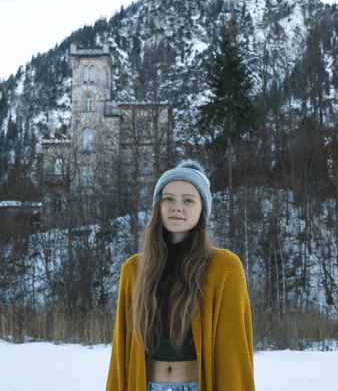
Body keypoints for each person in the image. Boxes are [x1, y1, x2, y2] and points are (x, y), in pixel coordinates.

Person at [106, 159, 256, 391]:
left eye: (188, 200)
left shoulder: (224, 267)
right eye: (169, 199)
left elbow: (234, 354)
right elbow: (120, 353)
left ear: (202, 209)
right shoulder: (134, 270)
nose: (177, 207)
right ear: (158, 206)